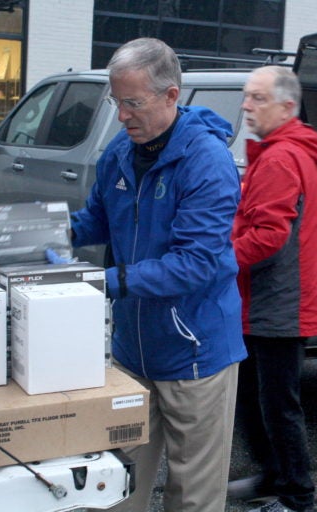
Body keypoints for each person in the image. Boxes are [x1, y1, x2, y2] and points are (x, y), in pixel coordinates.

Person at [66, 38, 246, 512]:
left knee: (193, 495)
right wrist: (48, 233)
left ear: (171, 96)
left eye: (133, 103)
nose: (121, 116)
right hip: (132, 351)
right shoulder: (119, 154)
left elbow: (197, 262)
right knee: (118, 483)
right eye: (116, 101)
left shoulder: (206, 161)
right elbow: (96, 221)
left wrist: (111, 281)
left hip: (196, 353)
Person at [231, 65, 317, 512]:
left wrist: (215, 262)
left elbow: (268, 236)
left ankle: (297, 498)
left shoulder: (278, 158)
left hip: (278, 305)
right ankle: (274, 476)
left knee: (277, 406)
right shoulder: (285, 152)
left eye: (257, 98)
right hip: (276, 300)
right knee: (254, 400)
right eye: (247, 96)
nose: (246, 105)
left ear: (287, 107)